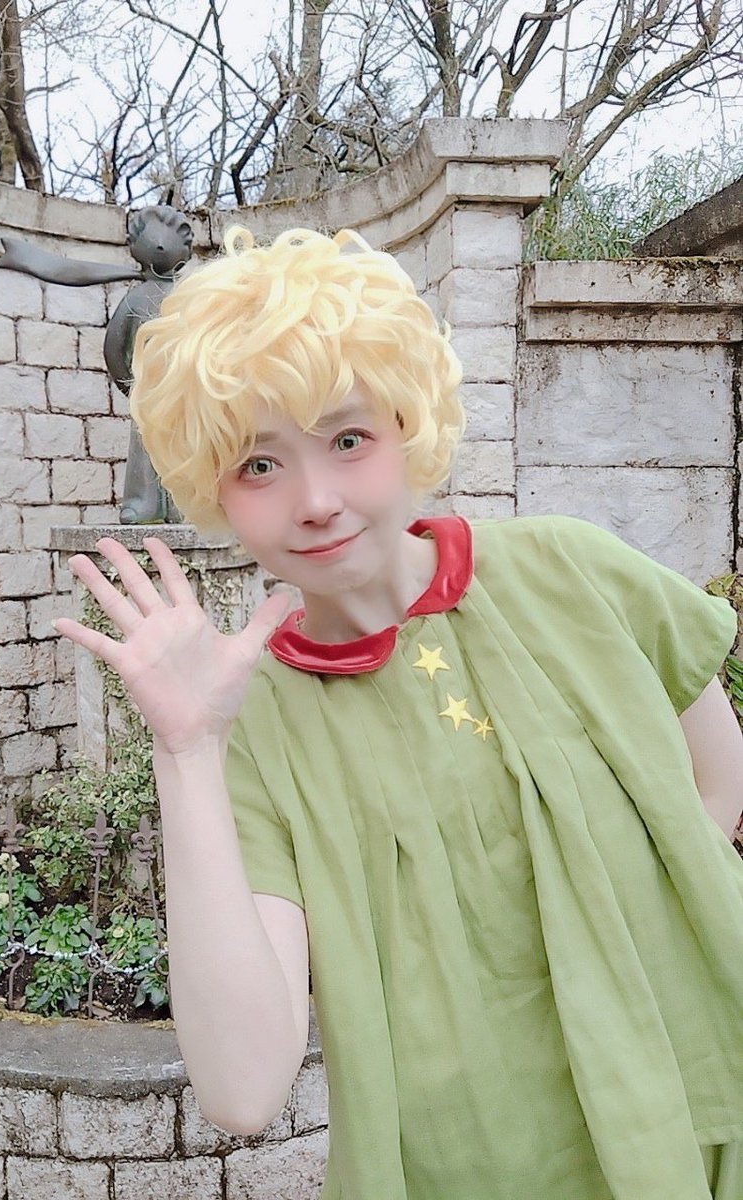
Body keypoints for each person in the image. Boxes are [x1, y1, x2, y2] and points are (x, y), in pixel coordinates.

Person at [53, 226, 743, 1200]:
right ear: (215, 489)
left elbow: (715, 782)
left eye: (348, 440)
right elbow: (243, 1091)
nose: (315, 501)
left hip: (701, 1111)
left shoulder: (575, 569)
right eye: (258, 465)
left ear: (410, 423)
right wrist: (189, 749)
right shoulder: (253, 731)